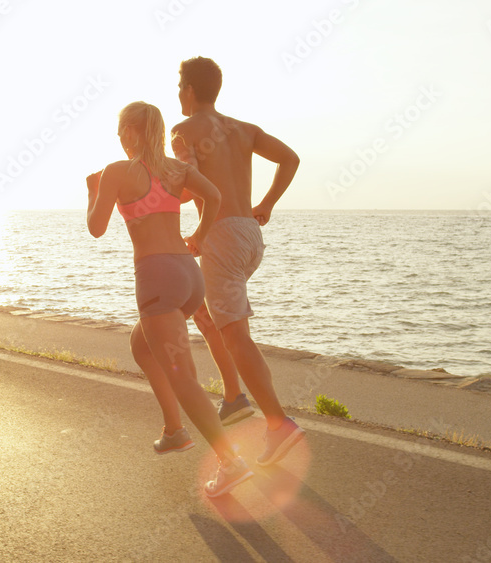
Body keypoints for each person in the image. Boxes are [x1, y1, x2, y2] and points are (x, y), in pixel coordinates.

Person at [87, 101, 253, 497]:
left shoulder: (115, 172)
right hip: (187, 275)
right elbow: (213, 197)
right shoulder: (176, 170)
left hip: (157, 277)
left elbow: (96, 227)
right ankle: (173, 430)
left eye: (119, 130)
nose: (117, 138)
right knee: (141, 346)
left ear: (130, 132)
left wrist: (93, 191)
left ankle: (231, 462)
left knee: (184, 379)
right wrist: (198, 236)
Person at [171, 57, 304, 467]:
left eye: (179, 85)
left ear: (190, 90)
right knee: (211, 319)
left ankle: (279, 424)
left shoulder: (183, 132)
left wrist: (194, 230)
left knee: (235, 333)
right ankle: (233, 397)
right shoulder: (243, 129)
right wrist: (266, 203)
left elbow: (190, 192)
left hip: (222, 233)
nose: (178, 93)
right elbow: (290, 159)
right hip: (250, 232)